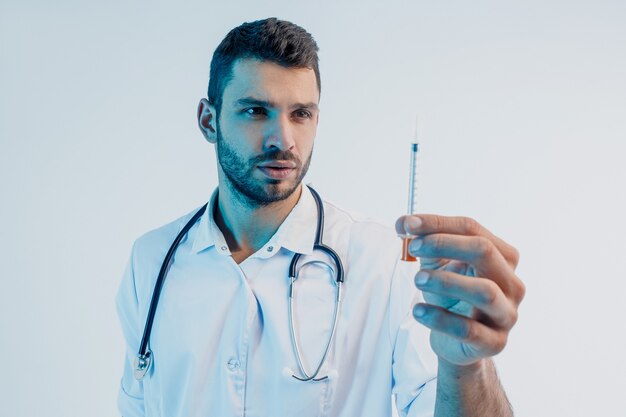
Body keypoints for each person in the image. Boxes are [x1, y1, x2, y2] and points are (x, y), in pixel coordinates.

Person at [116, 17, 525, 417]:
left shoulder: (384, 264)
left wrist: (465, 367)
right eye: (256, 111)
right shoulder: (152, 261)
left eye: (301, 114)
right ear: (209, 120)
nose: (283, 140)